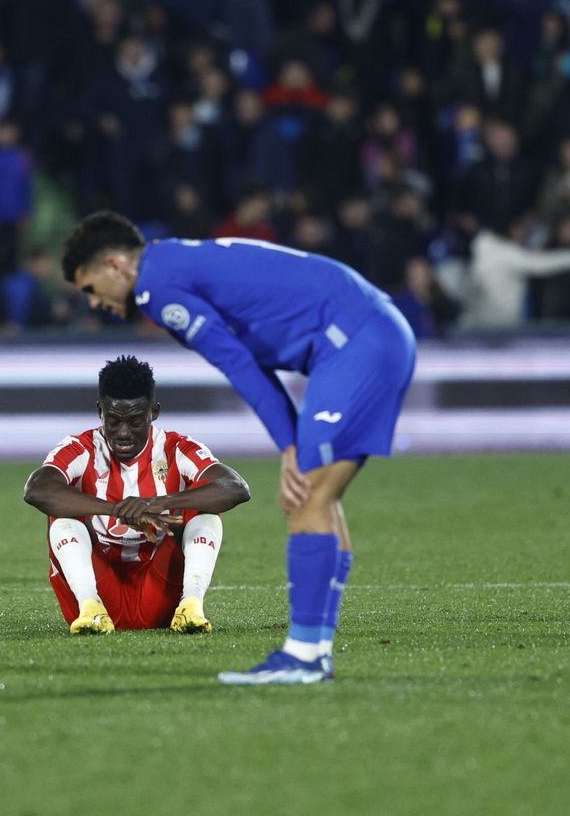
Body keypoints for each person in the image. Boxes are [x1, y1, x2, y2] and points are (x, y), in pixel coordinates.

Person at [61, 212, 417, 684]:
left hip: (353, 342)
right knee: (320, 498)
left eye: (90, 288)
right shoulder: (175, 261)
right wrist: (291, 441)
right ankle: (314, 651)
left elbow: (238, 362)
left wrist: (289, 444)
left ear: (114, 265)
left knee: (306, 496)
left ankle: (305, 656)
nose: (94, 303)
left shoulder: (156, 289)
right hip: (368, 332)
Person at [23, 355, 250, 635]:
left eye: (135, 421)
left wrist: (160, 503)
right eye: (114, 420)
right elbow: (36, 489)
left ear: (153, 413)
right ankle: (89, 608)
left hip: (160, 594)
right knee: (60, 511)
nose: (123, 433)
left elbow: (235, 488)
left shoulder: (176, 448)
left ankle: (191, 605)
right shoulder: (80, 448)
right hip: (101, 587)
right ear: (100, 411)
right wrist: (116, 508)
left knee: (202, 507)